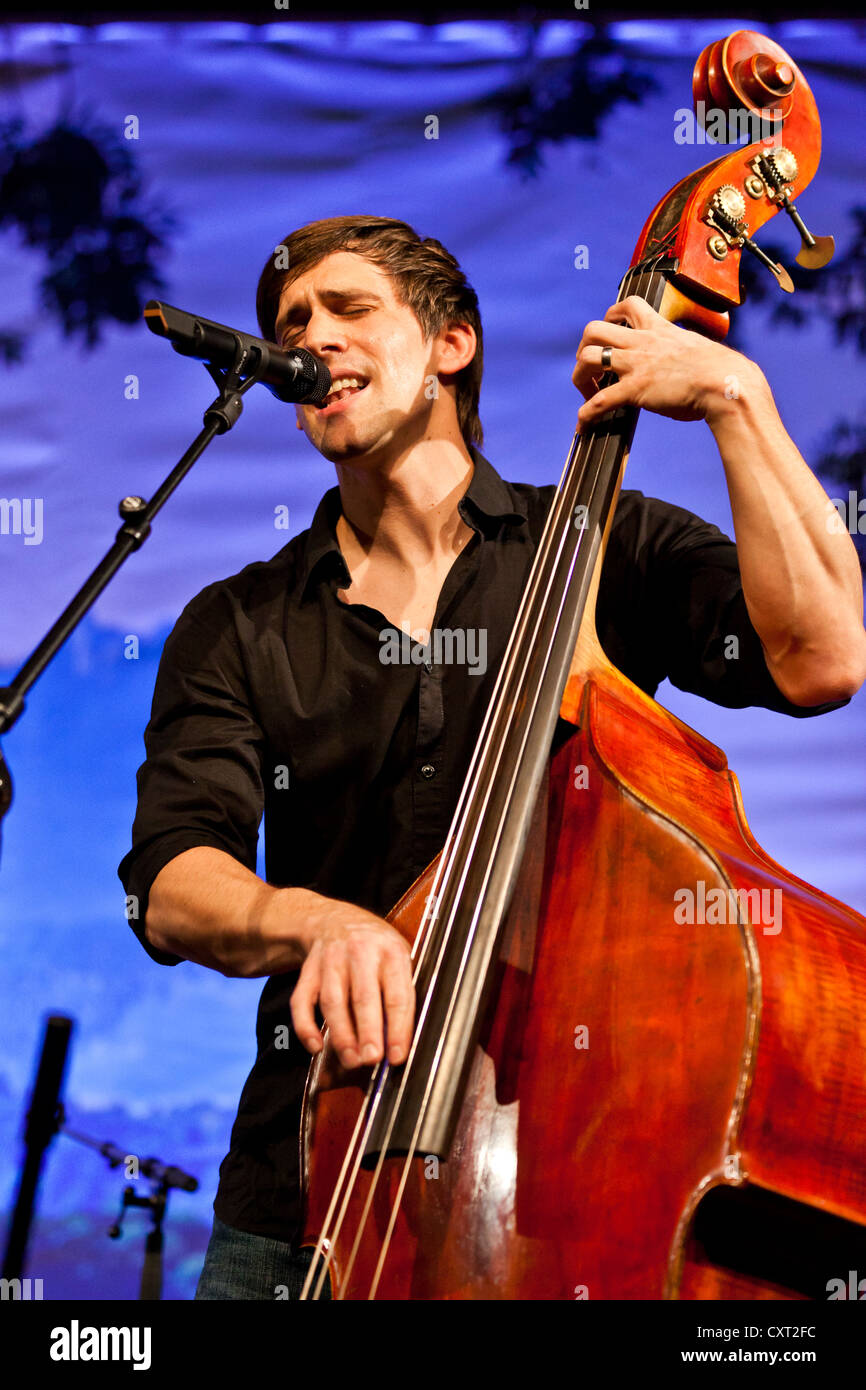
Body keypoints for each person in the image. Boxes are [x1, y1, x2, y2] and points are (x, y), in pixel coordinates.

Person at [117, 215, 866, 1301]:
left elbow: (822, 660)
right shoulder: (236, 622)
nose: (310, 336)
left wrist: (731, 399)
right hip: (306, 1195)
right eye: (290, 323)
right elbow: (173, 882)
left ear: (450, 346)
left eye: (348, 309)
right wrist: (318, 919)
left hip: (566, 1192)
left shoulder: (607, 544)